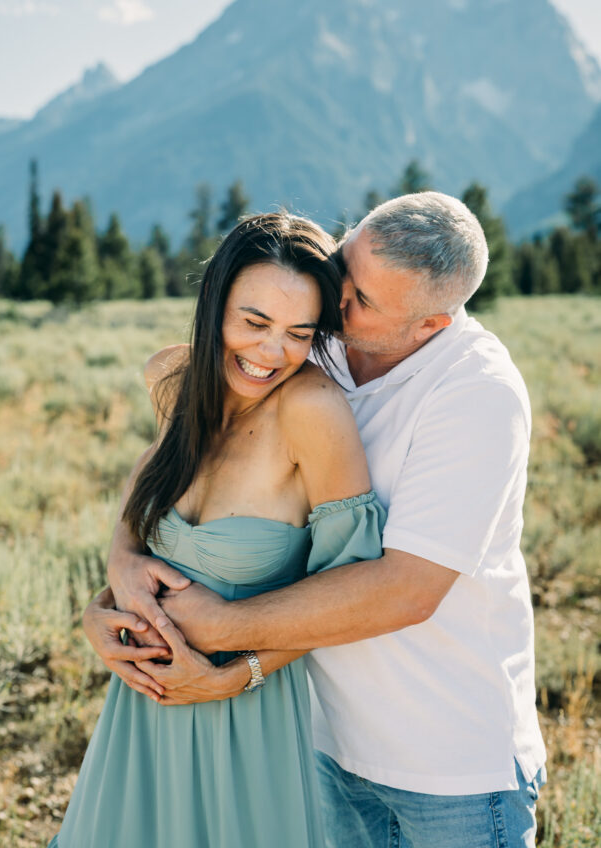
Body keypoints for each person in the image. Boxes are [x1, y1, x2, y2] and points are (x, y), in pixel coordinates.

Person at [86, 192, 547, 848]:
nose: (332, 302)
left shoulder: (476, 396)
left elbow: (406, 590)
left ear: (429, 326)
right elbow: (175, 432)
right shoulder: (308, 343)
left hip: (446, 766)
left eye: (358, 299)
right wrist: (121, 566)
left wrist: (224, 639)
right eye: (340, 269)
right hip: (319, 740)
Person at [48, 212, 387, 848]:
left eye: (298, 333)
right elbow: (147, 484)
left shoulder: (311, 412)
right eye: (254, 323)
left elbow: (351, 591)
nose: (269, 353)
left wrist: (240, 673)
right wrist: (117, 572)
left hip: (243, 722)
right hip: (139, 714)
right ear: (213, 305)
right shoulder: (175, 381)